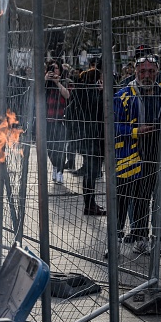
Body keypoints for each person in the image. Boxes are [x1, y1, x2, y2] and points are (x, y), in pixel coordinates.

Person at [113, 54, 161, 254]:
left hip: (152, 155)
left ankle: (141, 239)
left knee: (143, 200)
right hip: (127, 156)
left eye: (151, 71)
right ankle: (114, 243)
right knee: (121, 200)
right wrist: (135, 131)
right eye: (142, 71)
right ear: (135, 72)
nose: (147, 75)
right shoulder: (123, 95)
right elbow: (112, 126)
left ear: (157, 72)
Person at [65, 67, 106, 215]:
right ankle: (89, 205)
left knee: (90, 172)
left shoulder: (79, 91)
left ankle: (90, 203)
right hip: (93, 138)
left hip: (83, 137)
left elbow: (69, 112)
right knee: (92, 173)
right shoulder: (93, 93)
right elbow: (101, 109)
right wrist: (102, 93)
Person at [45, 60, 71, 184]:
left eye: (56, 68)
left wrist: (58, 83)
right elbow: (38, 94)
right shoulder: (46, 84)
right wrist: (46, 80)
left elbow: (67, 95)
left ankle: (60, 172)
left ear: (60, 70)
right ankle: (55, 166)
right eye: (52, 68)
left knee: (61, 148)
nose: (54, 70)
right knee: (50, 149)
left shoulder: (64, 82)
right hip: (47, 122)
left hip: (60, 121)